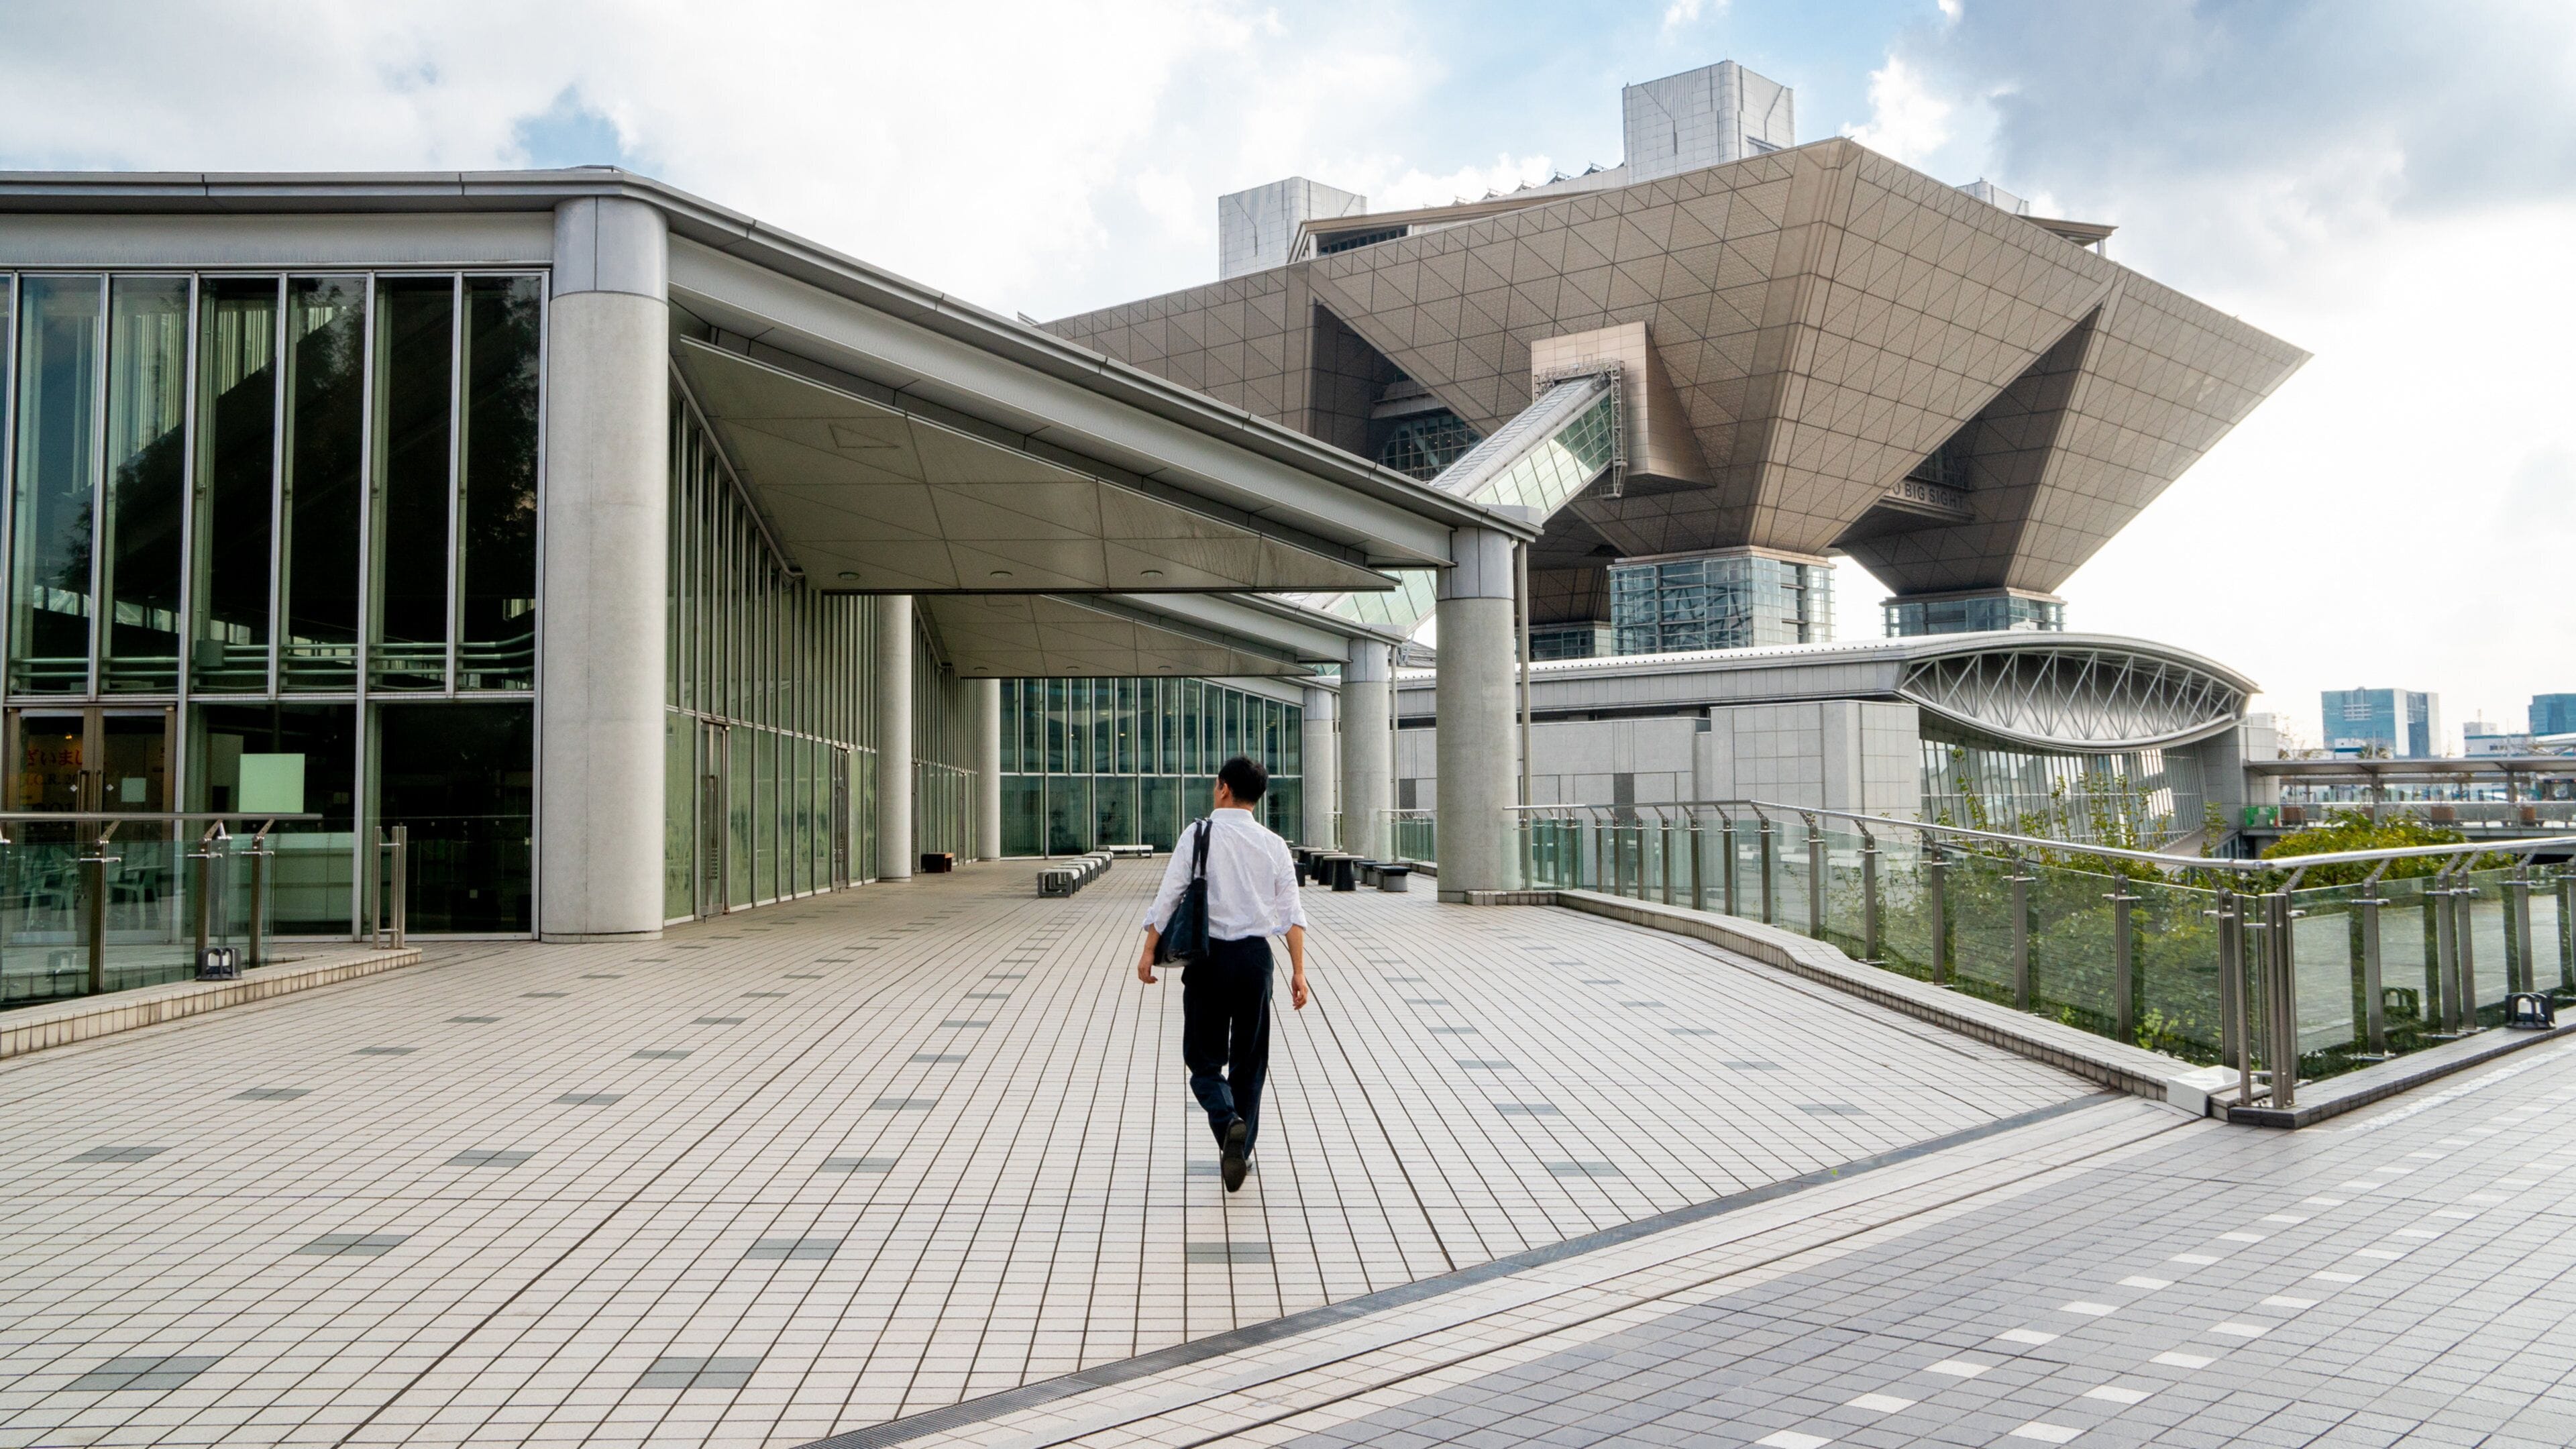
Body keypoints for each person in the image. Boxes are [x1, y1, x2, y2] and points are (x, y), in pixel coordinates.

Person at [1136, 755, 1308, 1192]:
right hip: (1256, 961)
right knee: (1250, 1061)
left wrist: (1148, 951)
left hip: (1208, 960)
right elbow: (1291, 915)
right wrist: (1298, 973)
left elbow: (1170, 895)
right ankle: (1240, 1149)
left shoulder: (1199, 835)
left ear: (1225, 788)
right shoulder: (1273, 844)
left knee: (1203, 1060)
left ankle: (1227, 1120)